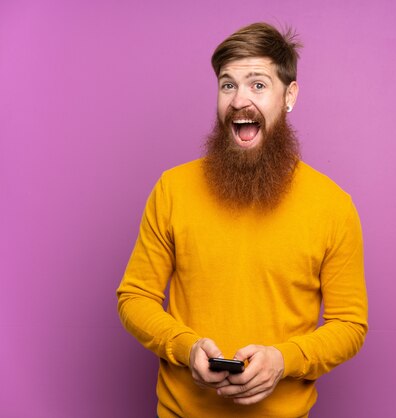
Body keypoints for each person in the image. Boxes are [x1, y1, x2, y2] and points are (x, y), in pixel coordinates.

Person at [117, 22, 368, 418]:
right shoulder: (172, 189)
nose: (239, 101)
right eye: (228, 85)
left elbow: (350, 324)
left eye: (258, 85)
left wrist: (285, 360)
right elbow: (134, 297)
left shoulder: (333, 205)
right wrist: (186, 347)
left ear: (290, 96)